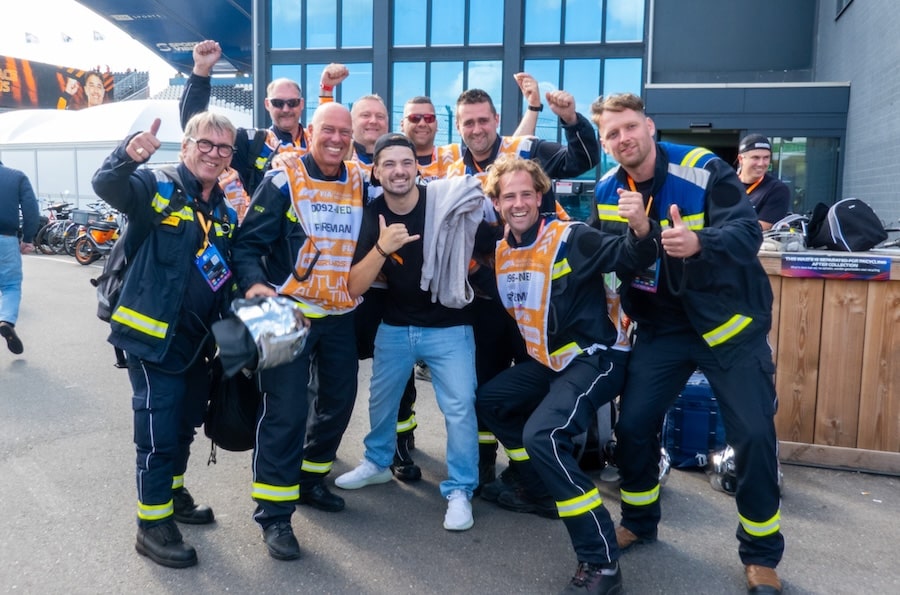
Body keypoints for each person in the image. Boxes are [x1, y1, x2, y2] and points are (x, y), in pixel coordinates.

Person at [590, 93, 784, 595]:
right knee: (633, 425)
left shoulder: (703, 168)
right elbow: (607, 253)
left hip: (729, 328)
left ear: (649, 126)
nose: (623, 139)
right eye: (611, 134)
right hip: (663, 330)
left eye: (629, 127)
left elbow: (747, 233)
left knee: (754, 436)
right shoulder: (607, 188)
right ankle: (639, 517)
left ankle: (761, 554)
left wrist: (700, 243)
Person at [477, 155, 658, 595]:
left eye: (526, 194)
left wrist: (640, 229)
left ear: (540, 197)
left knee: (544, 435)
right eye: (508, 196)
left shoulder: (570, 236)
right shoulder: (502, 250)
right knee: (490, 400)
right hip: (549, 362)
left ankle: (602, 563)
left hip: (597, 358)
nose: (518, 203)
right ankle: (536, 485)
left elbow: (631, 255)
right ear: (497, 203)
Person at [91, 112, 240, 568]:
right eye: (206, 144)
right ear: (187, 145)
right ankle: (150, 525)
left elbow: (225, 277)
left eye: (223, 148)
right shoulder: (158, 187)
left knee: (184, 423)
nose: (214, 154)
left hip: (198, 343)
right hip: (152, 341)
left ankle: (173, 495)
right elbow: (109, 186)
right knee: (157, 431)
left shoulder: (225, 212)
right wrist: (124, 157)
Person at [447, 86, 601, 498]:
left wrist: (571, 118)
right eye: (468, 122)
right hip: (485, 296)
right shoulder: (448, 164)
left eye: (483, 120)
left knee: (535, 383)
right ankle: (485, 465)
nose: (477, 129)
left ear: (497, 120)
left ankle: (534, 468)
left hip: (539, 294)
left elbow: (583, 160)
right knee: (486, 384)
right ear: (459, 127)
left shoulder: (524, 147)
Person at [230, 101, 366, 560]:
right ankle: (274, 514)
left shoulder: (358, 178)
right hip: (282, 309)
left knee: (339, 401)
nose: (336, 139)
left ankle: (309, 480)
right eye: (328, 130)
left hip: (339, 312)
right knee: (285, 411)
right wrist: (254, 287)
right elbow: (247, 243)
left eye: (344, 132)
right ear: (310, 132)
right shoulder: (282, 178)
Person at [334, 133, 482, 532]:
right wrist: (382, 248)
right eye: (389, 164)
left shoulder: (442, 203)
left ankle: (460, 490)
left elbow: (483, 225)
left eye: (406, 163)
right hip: (396, 323)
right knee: (381, 400)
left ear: (418, 167)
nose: (398, 171)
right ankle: (378, 462)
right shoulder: (372, 213)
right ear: (377, 171)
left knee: (460, 406)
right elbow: (352, 288)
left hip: (450, 324)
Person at [180, 40, 349, 217]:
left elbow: (329, 126)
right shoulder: (253, 141)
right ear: (267, 104)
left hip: (314, 231)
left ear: (302, 105)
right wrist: (201, 70)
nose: (286, 109)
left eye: (292, 103)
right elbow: (196, 127)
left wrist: (326, 89)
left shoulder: (315, 141)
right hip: (266, 234)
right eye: (278, 103)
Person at [0, 161, 39, 355]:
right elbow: (31, 210)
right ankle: (6, 320)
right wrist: (28, 238)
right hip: (6, 239)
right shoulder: (16, 177)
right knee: (10, 286)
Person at [736, 134, 791, 230]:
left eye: (766, 157)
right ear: (741, 159)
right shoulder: (725, 185)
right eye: (755, 158)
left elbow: (760, 228)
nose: (761, 163)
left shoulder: (777, 189)